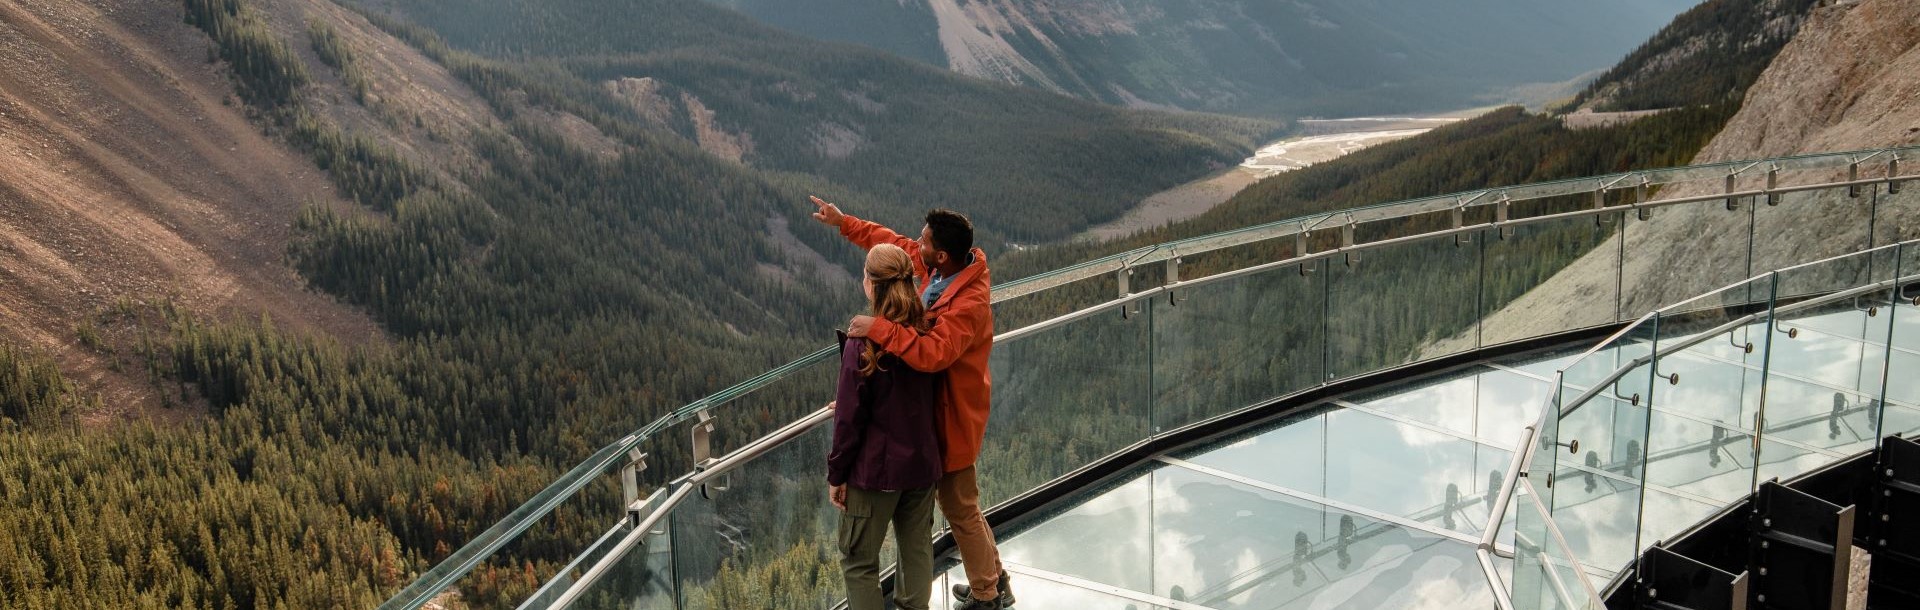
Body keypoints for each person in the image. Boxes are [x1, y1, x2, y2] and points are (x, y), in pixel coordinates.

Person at [810, 196, 1013, 609]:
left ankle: (988, 595)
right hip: (929, 424)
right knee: (945, 523)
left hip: (952, 419)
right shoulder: (942, 269)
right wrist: (843, 221)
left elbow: (934, 353)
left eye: (922, 242)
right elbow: (890, 241)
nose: (913, 245)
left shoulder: (968, 304)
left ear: (941, 253)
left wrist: (879, 329)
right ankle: (995, 580)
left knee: (960, 510)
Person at [830, 244, 944, 610]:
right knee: (916, 552)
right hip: (922, 466)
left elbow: (850, 420)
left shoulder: (863, 342)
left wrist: (837, 475)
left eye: (865, 275)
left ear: (872, 285)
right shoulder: (927, 331)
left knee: (859, 561)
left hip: (875, 473)